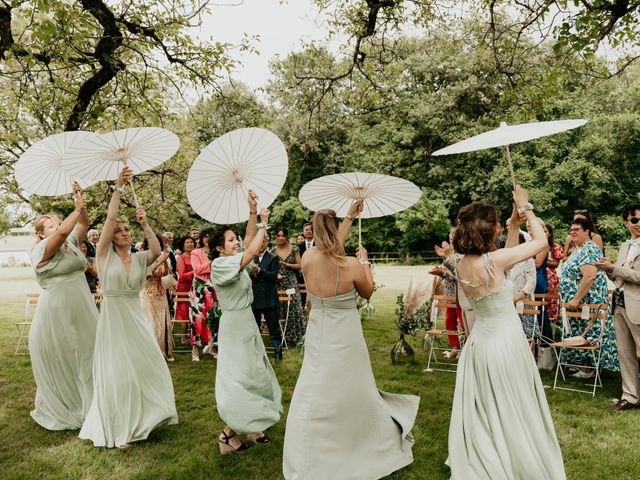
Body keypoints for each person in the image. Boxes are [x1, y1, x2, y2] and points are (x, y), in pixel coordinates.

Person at [283, 201, 420, 480]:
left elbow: (327, 249)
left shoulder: (307, 258)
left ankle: (312, 441)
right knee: (351, 381)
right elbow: (367, 292)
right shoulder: (352, 265)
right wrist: (366, 261)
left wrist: (349, 216)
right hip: (345, 331)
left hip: (319, 329)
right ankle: (358, 434)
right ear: (334, 232)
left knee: (316, 380)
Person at [447, 188, 566, 479]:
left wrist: (513, 223)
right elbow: (539, 242)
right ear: (488, 229)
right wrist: (527, 208)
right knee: (512, 400)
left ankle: (494, 447)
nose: (501, 225)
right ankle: (514, 454)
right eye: (498, 222)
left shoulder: (462, 263)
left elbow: (506, 259)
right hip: (504, 342)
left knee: (492, 403)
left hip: (481, 344)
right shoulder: (492, 262)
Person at [79, 166, 178, 448]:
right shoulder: (103, 255)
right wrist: (119, 187)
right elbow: (110, 217)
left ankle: (145, 415)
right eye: (119, 230)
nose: (123, 232)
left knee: (147, 364)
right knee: (117, 370)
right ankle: (120, 425)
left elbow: (157, 252)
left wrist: (145, 224)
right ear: (110, 236)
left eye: (126, 229)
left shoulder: (138, 258)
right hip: (112, 318)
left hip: (135, 317)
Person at [210, 191, 282, 454]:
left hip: (246, 324)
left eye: (235, 238)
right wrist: (263, 221)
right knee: (241, 377)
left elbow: (249, 240)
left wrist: (252, 211)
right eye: (231, 240)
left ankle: (252, 427)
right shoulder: (220, 264)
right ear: (220, 247)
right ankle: (228, 434)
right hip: (234, 326)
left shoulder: (234, 261)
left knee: (256, 372)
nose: (237, 241)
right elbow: (252, 248)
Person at [29, 183, 98, 430]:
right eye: (50, 225)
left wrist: (80, 201)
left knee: (88, 351)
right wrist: (76, 209)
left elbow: (82, 224)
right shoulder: (40, 249)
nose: (56, 228)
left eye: (57, 223)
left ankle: (91, 401)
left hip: (81, 304)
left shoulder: (70, 243)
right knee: (67, 353)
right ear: (40, 233)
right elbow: (60, 235)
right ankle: (68, 403)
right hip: (58, 308)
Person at [559, 217, 618, 376]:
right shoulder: (579, 249)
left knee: (589, 333)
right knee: (580, 333)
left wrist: (576, 298)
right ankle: (582, 366)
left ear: (587, 231)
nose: (573, 233)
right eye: (571, 231)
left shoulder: (590, 248)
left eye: (577, 230)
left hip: (588, 301)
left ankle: (588, 368)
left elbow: (589, 276)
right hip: (579, 303)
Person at [595, 203, 640, 411]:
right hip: (619, 304)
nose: (639, 224)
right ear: (626, 223)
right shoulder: (624, 246)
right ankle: (630, 397)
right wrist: (607, 269)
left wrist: (616, 268)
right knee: (625, 352)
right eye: (634, 220)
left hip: (638, 305)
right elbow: (618, 276)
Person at [139, 233, 174, 362]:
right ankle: (153, 352)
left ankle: (165, 350)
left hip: (161, 293)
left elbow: (165, 272)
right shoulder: (143, 256)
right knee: (152, 322)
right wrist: (162, 259)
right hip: (148, 292)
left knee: (165, 322)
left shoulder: (163, 256)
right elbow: (148, 273)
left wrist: (165, 263)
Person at [251, 231, 283, 361]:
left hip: (269, 298)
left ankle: (278, 352)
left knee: (273, 328)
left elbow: (274, 276)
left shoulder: (273, 257)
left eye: (264, 240)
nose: (261, 243)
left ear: (267, 241)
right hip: (255, 298)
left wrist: (259, 271)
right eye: (259, 240)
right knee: (254, 328)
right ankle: (256, 352)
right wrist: (253, 274)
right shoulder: (250, 257)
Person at [274, 227, 305, 346]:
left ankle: (297, 336)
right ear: (276, 237)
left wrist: (287, 264)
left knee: (293, 307)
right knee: (281, 308)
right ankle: (283, 337)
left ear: (287, 236)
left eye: (283, 235)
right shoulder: (272, 250)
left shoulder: (294, 248)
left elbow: (300, 265)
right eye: (278, 235)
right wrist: (276, 274)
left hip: (291, 281)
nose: (281, 238)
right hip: (278, 282)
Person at [508, 233, 538, 339]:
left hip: (524, 303)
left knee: (527, 335)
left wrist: (518, 297)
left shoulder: (528, 260)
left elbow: (531, 282)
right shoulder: (508, 260)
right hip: (509, 303)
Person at [191, 229, 215, 360]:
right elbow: (197, 269)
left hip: (213, 288)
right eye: (204, 236)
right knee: (198, 317)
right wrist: (210, 262)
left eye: (209, 236)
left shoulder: (216, 252)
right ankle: (195, 348)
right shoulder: (196, 252)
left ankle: (211, 345)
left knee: (212, 316)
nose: (207, 239)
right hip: (199, 288)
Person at [175, 236, 195, 355]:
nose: (189, 244)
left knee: (195, 310)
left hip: (196, 286)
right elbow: (182, 275)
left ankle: (195, 335)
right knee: (184, 311)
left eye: (191, 242)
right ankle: (184, 335)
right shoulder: (181, 258)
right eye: (187, 242)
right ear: (183, 246)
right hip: (184, 286)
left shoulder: (198, 255)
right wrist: (196, 271)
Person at [545, 222, 563, 321]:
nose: (543, 233)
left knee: (551, 301)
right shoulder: (536, 246)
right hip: (538, 276)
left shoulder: (556, 247)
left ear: (550, 233)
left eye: (545, 231)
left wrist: (543, 260)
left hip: (550, 278)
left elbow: (555, 264)